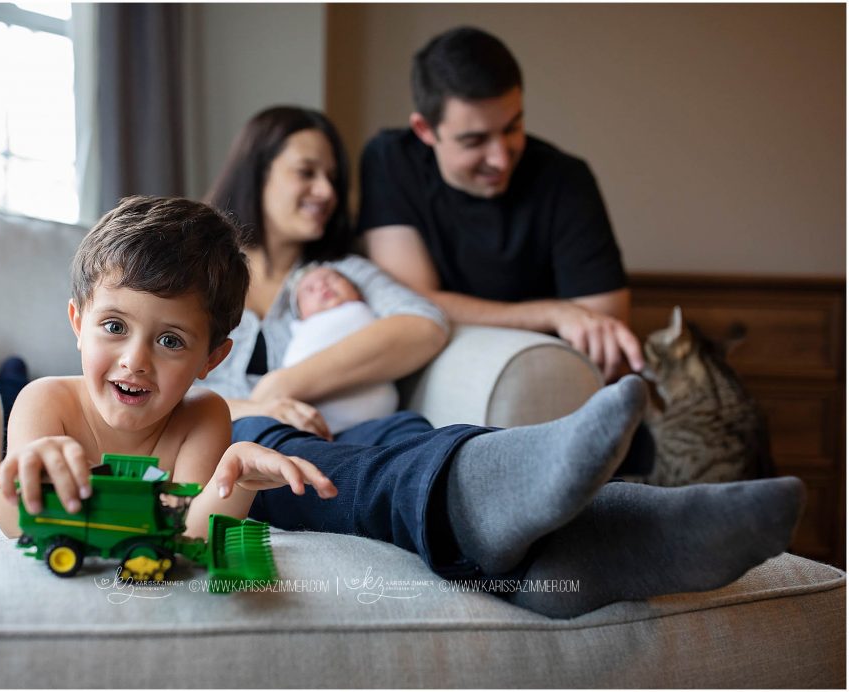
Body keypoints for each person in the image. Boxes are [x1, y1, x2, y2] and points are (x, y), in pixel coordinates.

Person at [203, 105, 805, 619]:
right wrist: (259, 404)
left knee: (410, 434)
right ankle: (585, 516)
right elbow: (157, 384)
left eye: (333, 176)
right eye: (307, 171)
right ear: (259, 171)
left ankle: (565, 565)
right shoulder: (199, 276)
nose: (329, 191)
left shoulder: (342, 273)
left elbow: (422, 326)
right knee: (265, 445)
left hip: (345, 425)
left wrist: (288, 381)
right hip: (236, 442)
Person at [0, 196, 337, 541]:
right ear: (79, 324)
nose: (135, 361)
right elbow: (10, 522)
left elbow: (187, 537)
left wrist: (237, 482)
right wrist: (23, 477)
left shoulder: (203, 416)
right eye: (114, 327)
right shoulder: (45, 402)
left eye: (170, 341)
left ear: (211, 359)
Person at [359, 26, 644, 383]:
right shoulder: (391, 160)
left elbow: (605, 322)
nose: (500, 159)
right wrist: (554, 314)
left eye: (512, 128)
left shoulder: (565, 179)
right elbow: (410, 303)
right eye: (474, 140)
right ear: (424, 131)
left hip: (544, 378)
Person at [283, 265, 399, 433]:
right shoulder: (303, 331)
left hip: (382, 421)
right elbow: (292, 367)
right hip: (321, 427)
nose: (323, 286)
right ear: (300, 313)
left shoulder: (361, 312)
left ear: (357, 291)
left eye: (333, 279)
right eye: (309, 289)